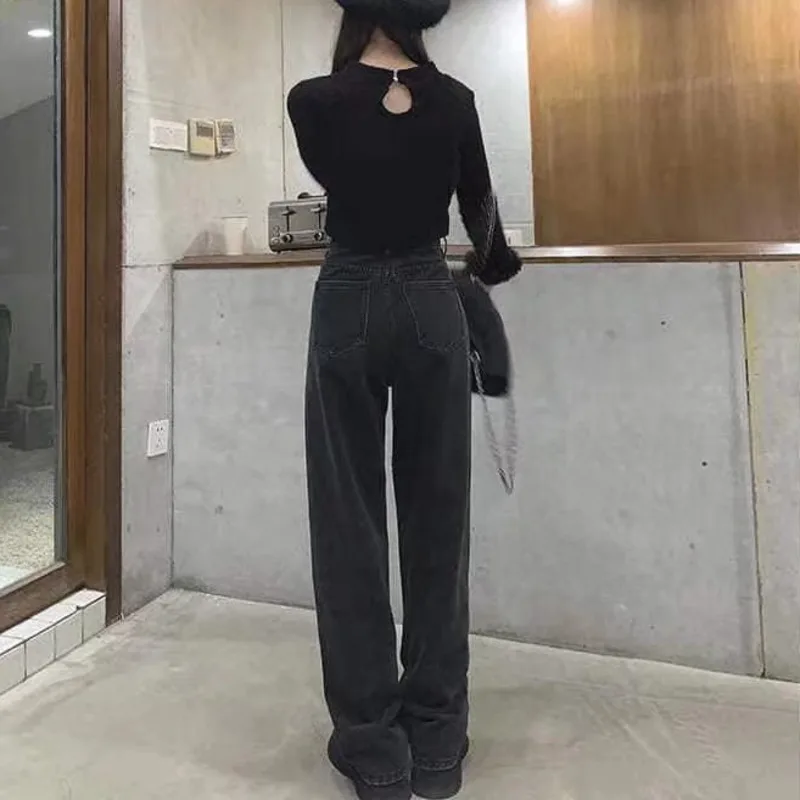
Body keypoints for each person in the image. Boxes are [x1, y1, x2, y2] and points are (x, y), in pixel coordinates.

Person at [288, 1, 521, 798]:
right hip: (430, 297)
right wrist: (490, 268)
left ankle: (372, 748)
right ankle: (438, 742)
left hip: (348, 295)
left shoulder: (312, 101)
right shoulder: (455, 100)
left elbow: (340, 180)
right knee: (438, 516)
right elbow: (481, 215)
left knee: (347, 523)